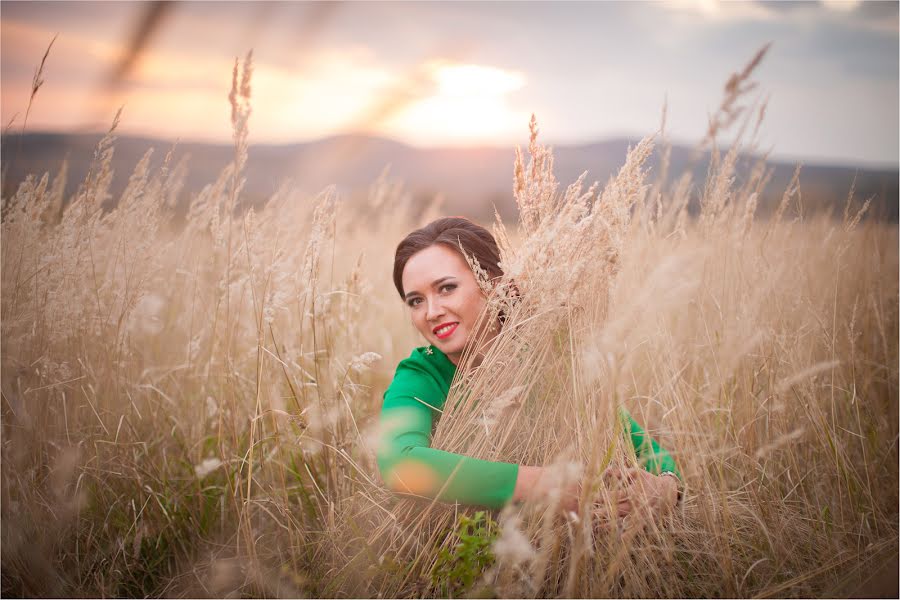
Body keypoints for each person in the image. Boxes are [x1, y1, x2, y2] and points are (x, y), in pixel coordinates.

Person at [376, 217, 680, 518]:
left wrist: (666, 488)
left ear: (493, 284)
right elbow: (399, 464)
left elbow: (642, 447)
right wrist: (541, 484)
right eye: (415, 301)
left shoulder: (549, 359)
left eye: (446, 288)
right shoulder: (421, 374)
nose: (431, 312)